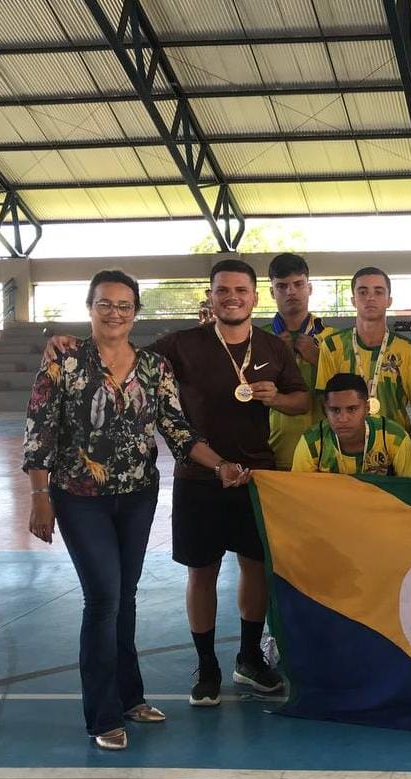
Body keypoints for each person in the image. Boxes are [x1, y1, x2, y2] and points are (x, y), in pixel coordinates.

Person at [42, 260, 310, 707]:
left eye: (241, 290)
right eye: (222, 290)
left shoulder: (273, 347)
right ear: (210, 296)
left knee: (254, 567)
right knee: (200, 571)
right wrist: (65, 341)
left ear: (254, 296)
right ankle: (206, 665)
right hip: (197, 475)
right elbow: (119, 347)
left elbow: (301, 401)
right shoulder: (180, 345)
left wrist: (277, 398)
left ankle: (248, 658)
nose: (232, 297)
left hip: (258, 475)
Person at [23, 270, 248, 750]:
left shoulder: (153, 367)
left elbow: (177, 429)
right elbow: (39, 432)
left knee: (125, 598)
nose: (115, 313)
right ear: (90, 307)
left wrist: (222, 464)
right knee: (103, 598)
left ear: (136, 312)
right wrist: (40, 496)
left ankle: (130, 697)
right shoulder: (63, 361)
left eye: (125, 306)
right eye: (106, 304)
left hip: (138, 495)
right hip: (79, 498)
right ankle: (102, 716)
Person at [316, 267, 411, 442]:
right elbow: (323, 403)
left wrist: (405, 444)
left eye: (378, 291)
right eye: (363, 292)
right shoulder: (332, 346)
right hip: (344, 449)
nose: (370, 297)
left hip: (393, 449)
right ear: (353, 300)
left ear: (389, 300)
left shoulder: (407, 350)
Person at [265, 253, 337, 469]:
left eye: (298, 284)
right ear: (271, 291)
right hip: (276, 450)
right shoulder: (260, 339)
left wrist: (318, 359)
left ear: (310, 288)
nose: (291, 291)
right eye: (282, 286)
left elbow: (348, 391)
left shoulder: (333, 339)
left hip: (326, 450)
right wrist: (280, 359)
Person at [292, 373, 411, 477]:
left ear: (367, 408)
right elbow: (300, 496)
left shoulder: (395, 438)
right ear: (325, 410)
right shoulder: (311, 442)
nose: (343, 419)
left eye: (352, 409)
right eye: (335, 410)